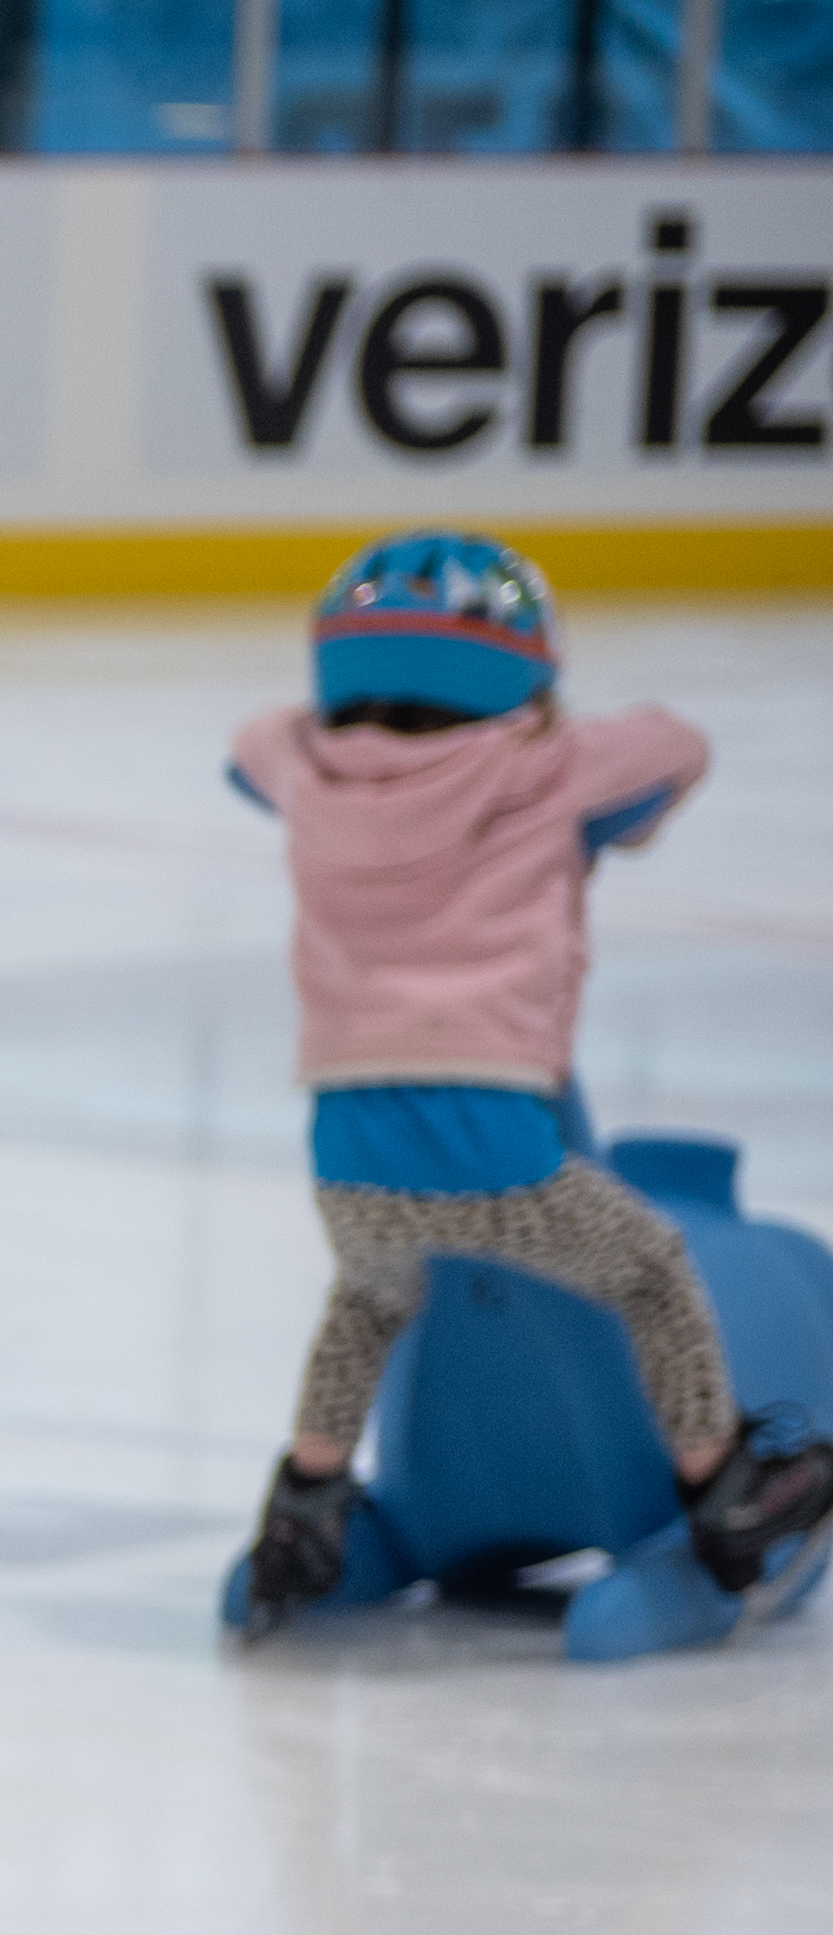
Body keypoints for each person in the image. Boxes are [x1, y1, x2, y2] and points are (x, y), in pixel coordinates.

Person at [230, 533, 823, 1626]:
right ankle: (724, 1486)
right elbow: (672, 749)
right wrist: (543, 724)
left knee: (366, 1297)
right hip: (491, 1136)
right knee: (646, 1265)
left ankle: (304, 1503)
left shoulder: (305, 775)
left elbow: (245, 752)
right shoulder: (539, 769)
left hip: (345, 1142)